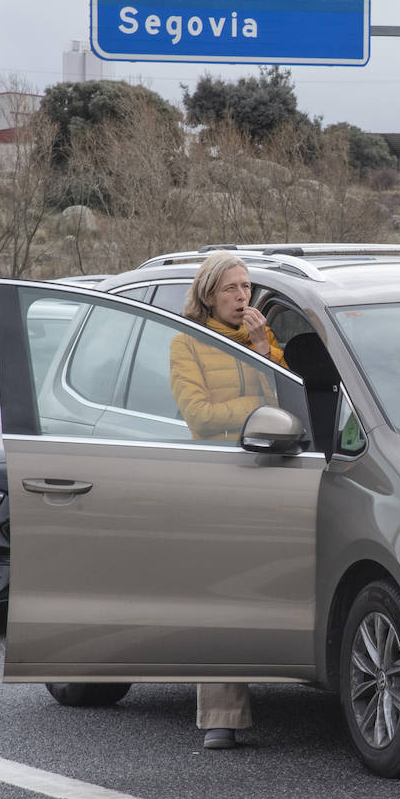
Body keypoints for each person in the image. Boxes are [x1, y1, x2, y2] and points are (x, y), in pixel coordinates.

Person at [167, 251, 286, 749]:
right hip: (218, 475)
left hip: (274, 469)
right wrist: (257, 408)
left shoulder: (263, 339)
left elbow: (287, 399)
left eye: (247, 288)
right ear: (208, 295)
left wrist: (262, 347)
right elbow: (199, 415)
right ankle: (222, 715)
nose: (242, 297)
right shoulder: (186, 342)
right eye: (231, 289)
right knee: (223, 592)